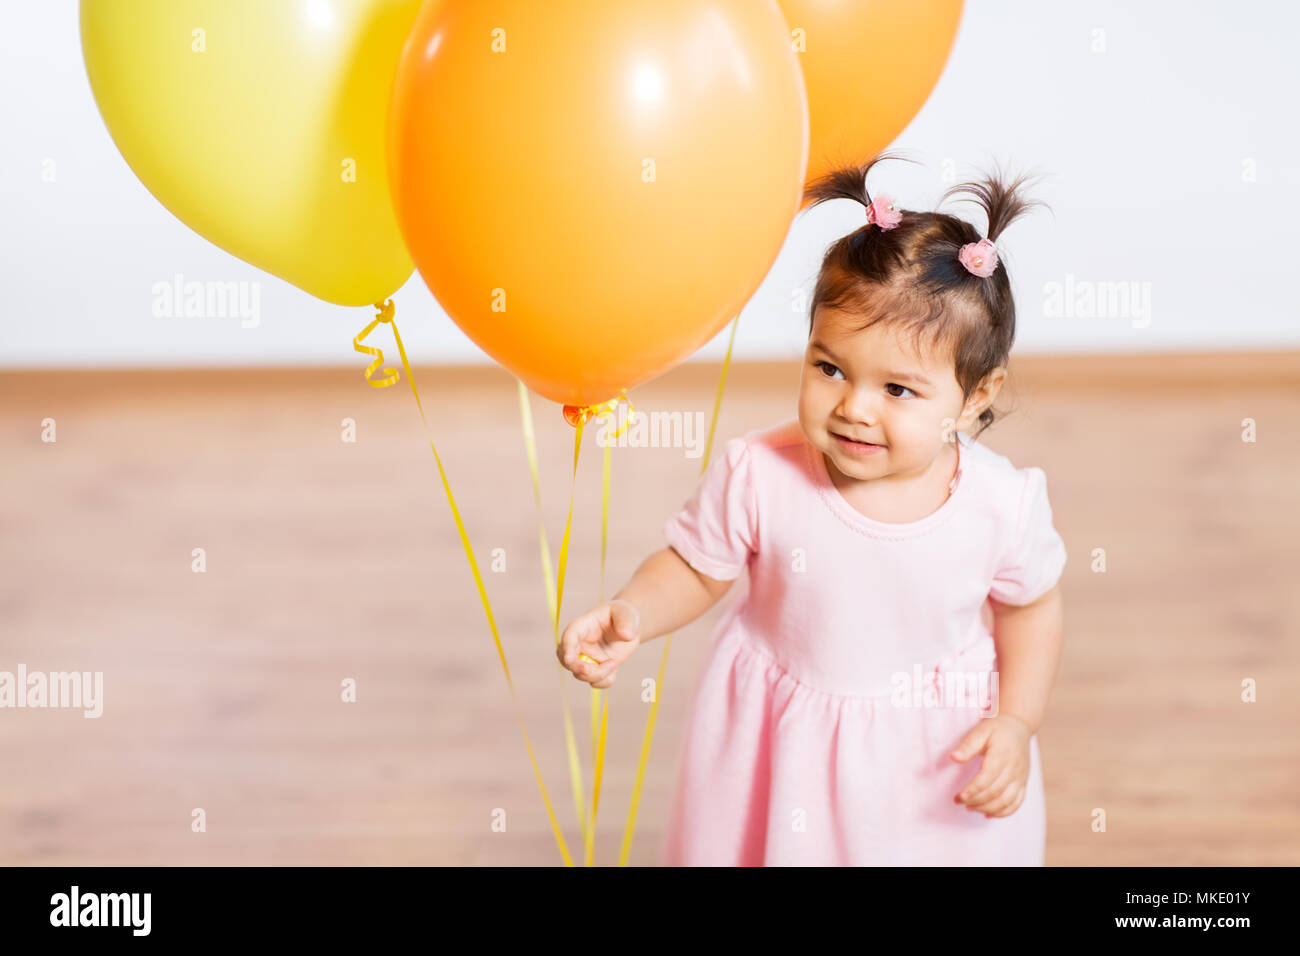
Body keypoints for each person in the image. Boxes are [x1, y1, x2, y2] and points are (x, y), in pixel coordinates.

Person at [557, 153, 1067, 866]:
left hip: (932, 749)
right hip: (784, 741)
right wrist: (636, 611)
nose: (853, 408)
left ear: (976, 396)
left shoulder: (999, 506)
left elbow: (1030, 608)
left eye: (898, 390)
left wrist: (1016, 720)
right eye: (829, 368)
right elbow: (696, 569)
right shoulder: (761, 472)